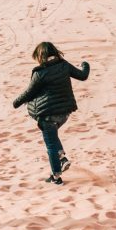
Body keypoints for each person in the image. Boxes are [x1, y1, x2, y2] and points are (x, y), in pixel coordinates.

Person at [12, 41, 90, 185]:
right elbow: (83, 75)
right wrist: (85, 64)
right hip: (64, 114)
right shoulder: (64, 65)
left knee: (50, 146)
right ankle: (62, 158)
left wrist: (15, 102)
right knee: (52, 135)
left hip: (48, 115)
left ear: (40, 56)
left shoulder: (40, 73)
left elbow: (29, 93)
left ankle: (56, 177)